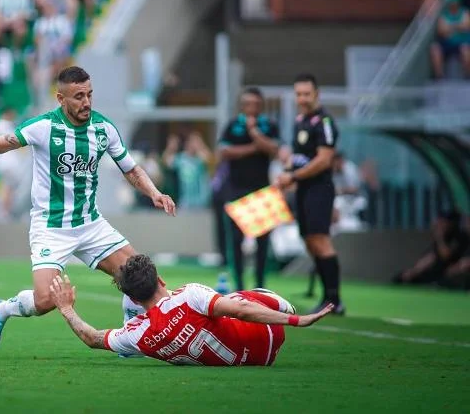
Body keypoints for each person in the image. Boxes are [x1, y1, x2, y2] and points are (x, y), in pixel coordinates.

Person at [0, 66, 176, 352]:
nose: (87, 102)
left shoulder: (103, 129)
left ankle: (130, 328)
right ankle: (3, 309)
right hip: (51, 227)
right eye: (78, 96)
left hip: (90, 224)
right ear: (60, 99)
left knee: (145, 279)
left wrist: (154, 193)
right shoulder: (43, 128)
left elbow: (130, 169)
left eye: (89, 94)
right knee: (45, 301)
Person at [48, 254, 334, 365]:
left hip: (255, 361)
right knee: (231, 300)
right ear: (160, 279)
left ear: (134, 301)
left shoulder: (138, 335)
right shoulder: (189, 295)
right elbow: (241, 311)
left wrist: (66, 308)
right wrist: (296, 319)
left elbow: (92, 338)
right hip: (269, 337)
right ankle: (285, 305)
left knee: (221, 304)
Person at [274, 73, 344, 315]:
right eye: (298, 94)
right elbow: (298, 157)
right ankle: (327, 297)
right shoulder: (300, 120)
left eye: (306, 94)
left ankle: (334, 299)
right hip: (303, 189)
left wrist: (292, 176)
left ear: (316, 94)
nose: (302, 98)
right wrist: (286, 172)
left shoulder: (324, 122)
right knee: (309, 240)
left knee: (320, 240)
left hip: (319, 189)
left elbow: (324, 160)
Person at [218, 87, 279, 290]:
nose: (251, 107)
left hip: (262, 190)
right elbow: (224, 151)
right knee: (236, 240)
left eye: (255, 104)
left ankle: (261, 285)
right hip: (236, 189)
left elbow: (274, 149)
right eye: (247, 104)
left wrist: (254, 132)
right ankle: (240, 286)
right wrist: (255, 148)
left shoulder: (268, 125)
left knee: (263, 242)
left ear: (261, 105)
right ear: (241, 105)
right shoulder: (233, 125)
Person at [393, 209, 469, 285]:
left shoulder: (459, 237)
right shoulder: (444, 237)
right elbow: (431, 257)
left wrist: (439, 237)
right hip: (433, 270)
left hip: (445, 272)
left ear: (451, 223)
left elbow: (446, 255)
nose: (440, 223)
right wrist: (414, 270)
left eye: (444, 221)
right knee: (400, 278)